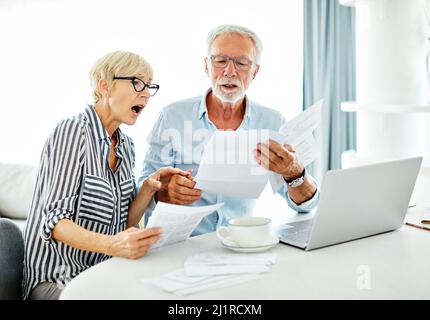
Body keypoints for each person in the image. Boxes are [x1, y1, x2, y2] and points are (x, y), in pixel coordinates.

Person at [22, 51, 189, 300]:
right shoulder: (73, 131)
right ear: (105, 86)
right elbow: (55, 223)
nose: (145, 94)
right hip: (58, 281)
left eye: (149, 87)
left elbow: (124, 225)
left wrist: (148, 189)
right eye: (137, 83)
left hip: (102, 276)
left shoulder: (126, 146)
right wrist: (114, 245)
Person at [139, 24, 320, 235]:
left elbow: (304, 205)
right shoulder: (172, 117)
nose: (230, 72)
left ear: (255, 71)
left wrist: (295, 173)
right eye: (220, 61)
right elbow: (141, 190)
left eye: (242, 63)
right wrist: (162, 193)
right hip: (178, 245)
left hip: (239, 244)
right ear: (207, 66)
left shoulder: (273, 122)